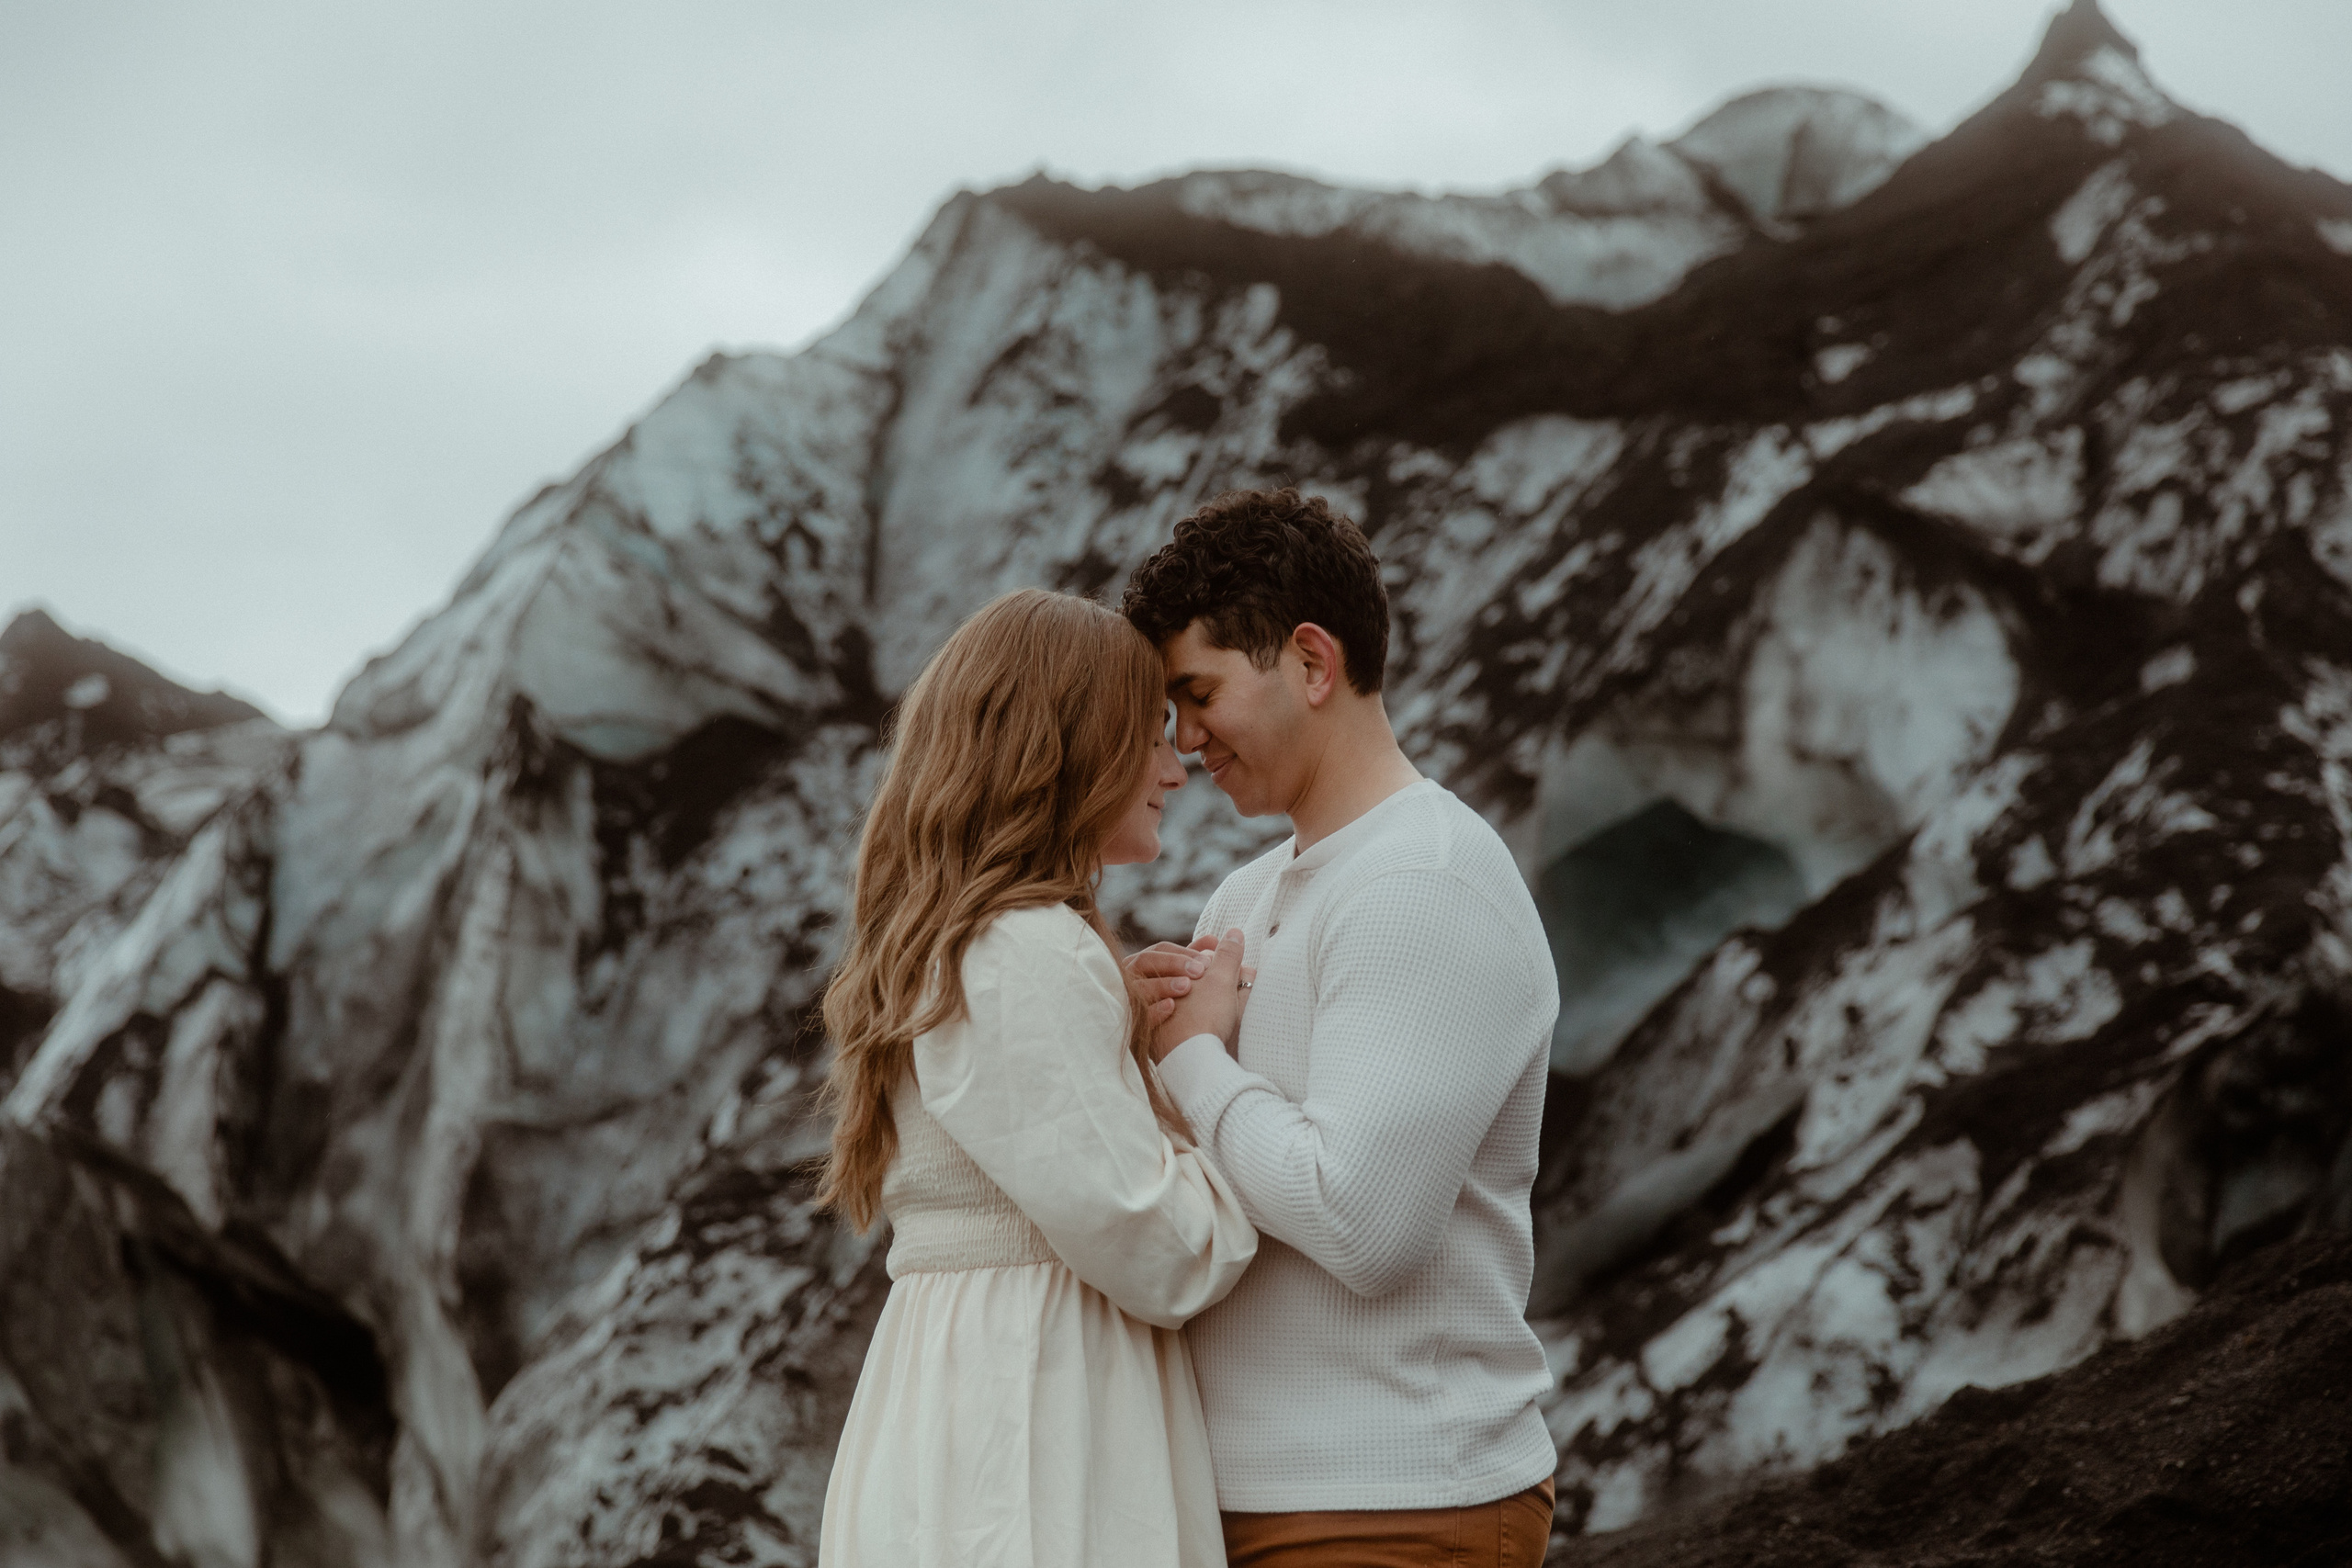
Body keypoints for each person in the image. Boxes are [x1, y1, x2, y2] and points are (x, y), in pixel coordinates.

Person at [1123, 489, 1561, 1568]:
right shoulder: (1243, 894)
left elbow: (1363, 1224)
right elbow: (1218, 1173)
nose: (1184, 741)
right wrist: (1127, 1047)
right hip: (1245, 1501)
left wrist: (1191, 1062)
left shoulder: (1425, 884)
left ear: (1312, 664)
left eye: (1199, 693)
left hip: (1395, 1506)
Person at [816, 588, 1259, 1568]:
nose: (1172, 770)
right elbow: (1164, 1245)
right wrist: (1199, 1059)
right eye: (1144, 737)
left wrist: (1118, 1044)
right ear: (1064, 748)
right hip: (1036, 1408)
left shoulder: (985, 944)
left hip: (965, 1394)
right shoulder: (1026, 949)